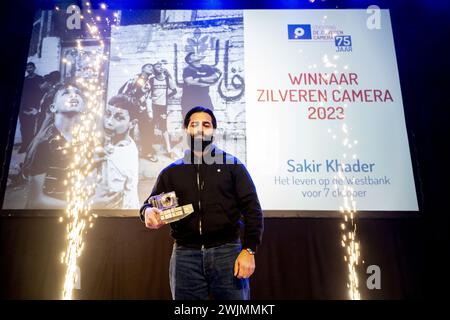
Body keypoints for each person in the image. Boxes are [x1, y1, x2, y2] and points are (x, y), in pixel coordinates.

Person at [139, 106, 263, 300]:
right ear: (186, 130)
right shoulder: (171, 172)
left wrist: (249, 250)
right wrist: (147, 212)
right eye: (193, 124)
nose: (199, 129)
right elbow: (148, 206)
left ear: (214, 130)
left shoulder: (233, 166)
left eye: (206, 124)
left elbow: (252, 210)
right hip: (184, 256)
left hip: (227, 252)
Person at [22, 82, 86, 208]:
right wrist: (81, 208)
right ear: (53, 107)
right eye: (66, 93)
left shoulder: (81, 137)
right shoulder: (44, 144)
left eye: (78, 94)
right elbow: (35, 202)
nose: (74, 96)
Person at [92, 94, 140, 209]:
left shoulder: (121, 156)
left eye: (119, 118)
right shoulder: (123, 142)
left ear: (132, 124)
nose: (109, 122)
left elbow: (115, 198)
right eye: (108, 114)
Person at [118, 63, 157, 162]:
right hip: (132, 108)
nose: (151, 68)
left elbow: (148, 97)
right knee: (129, 130)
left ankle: (147, 152)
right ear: (143, 69)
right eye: (149, 67)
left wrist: (149, 112)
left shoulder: (149, 81)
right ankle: (128, 153)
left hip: (142, 109)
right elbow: (125, 92)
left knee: (146, 130)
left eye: (152, 68)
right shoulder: (136, 79)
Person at [180, 53, 222, 119]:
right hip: (190, 98)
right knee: (189, 119)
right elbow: (190, 82)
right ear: (190, 61)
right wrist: (204, 83)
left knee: (208, 116)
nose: (196, 55)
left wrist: (200, 79)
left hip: (204, 97)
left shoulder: (207, 67)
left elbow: (214, 77)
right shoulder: (188, 69)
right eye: (193, 55)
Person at [149, 62, 177, 157]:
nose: (160, 68)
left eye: (161, 66)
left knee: (163, 127)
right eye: (157, 66)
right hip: (153, 106)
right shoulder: (151, 80)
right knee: (150, 125)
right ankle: (149, 148)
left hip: (162, 107)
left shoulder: (167, 79)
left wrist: (166, 96)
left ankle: (169, 150)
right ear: (154, 70)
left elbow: (174, 90)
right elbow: (147, 92)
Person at [18, 62, 44, 153]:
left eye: (31, 67)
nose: (29, 69)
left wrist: (37, 108)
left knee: (32, 127)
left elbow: (42, 94)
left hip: (34, 108)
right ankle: (24, 145)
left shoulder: (40, 79)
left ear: (34, 68)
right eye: (27, 68)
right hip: (23, 107)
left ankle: (31, 147)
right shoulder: (24, 80)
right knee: (23, 127)